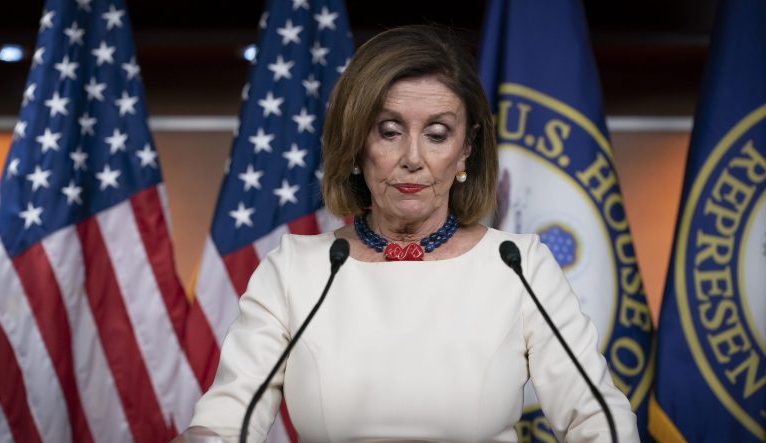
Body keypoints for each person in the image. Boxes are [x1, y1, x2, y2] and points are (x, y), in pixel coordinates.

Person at [181, 25, 639, 442]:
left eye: (438, 134)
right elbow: (227, 422)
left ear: (466, 151)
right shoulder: (296, 269)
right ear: (357, 145)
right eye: (389, 131)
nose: (412, 158)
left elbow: (598, 419)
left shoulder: (517, 267)